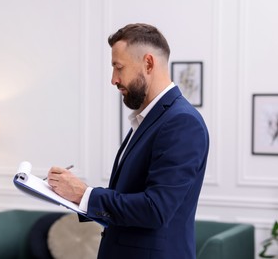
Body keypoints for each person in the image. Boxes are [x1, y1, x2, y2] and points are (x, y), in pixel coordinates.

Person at [47, 23, 209, 259]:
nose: (113, 79)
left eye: (118, 67)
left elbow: (155, 209)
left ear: (148, 63)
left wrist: (85, 194)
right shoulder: (150, 118)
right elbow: (131, 199)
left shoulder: (181, 122)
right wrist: (76, 195)